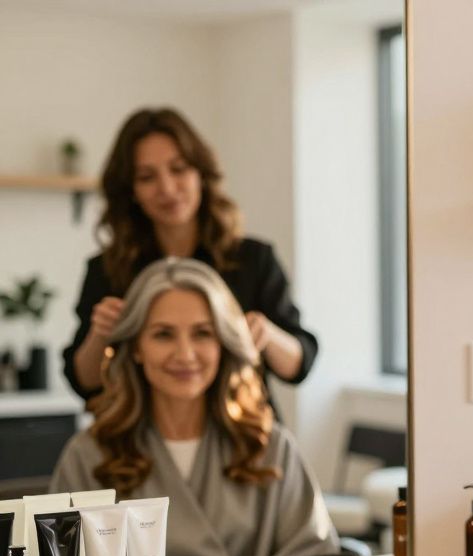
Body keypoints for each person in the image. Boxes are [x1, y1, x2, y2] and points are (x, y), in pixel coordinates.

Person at [51, 258, 338, 556]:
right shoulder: (88, 456)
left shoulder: (272, 448)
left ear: (223, 344)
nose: (185, 354)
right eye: (163, 334)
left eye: (202, 333)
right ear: (136, 348)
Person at [63, 107, 316, 411]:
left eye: (179, 169)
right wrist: (100, 335)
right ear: (131, 190)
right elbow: (84, 382)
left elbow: (300, 365)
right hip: (141, 434)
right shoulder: (108, 269)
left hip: (244, 427)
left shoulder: (253, 260)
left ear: (201, 174)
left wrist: (268, 334)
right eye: (147, 177)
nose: (167, 188)